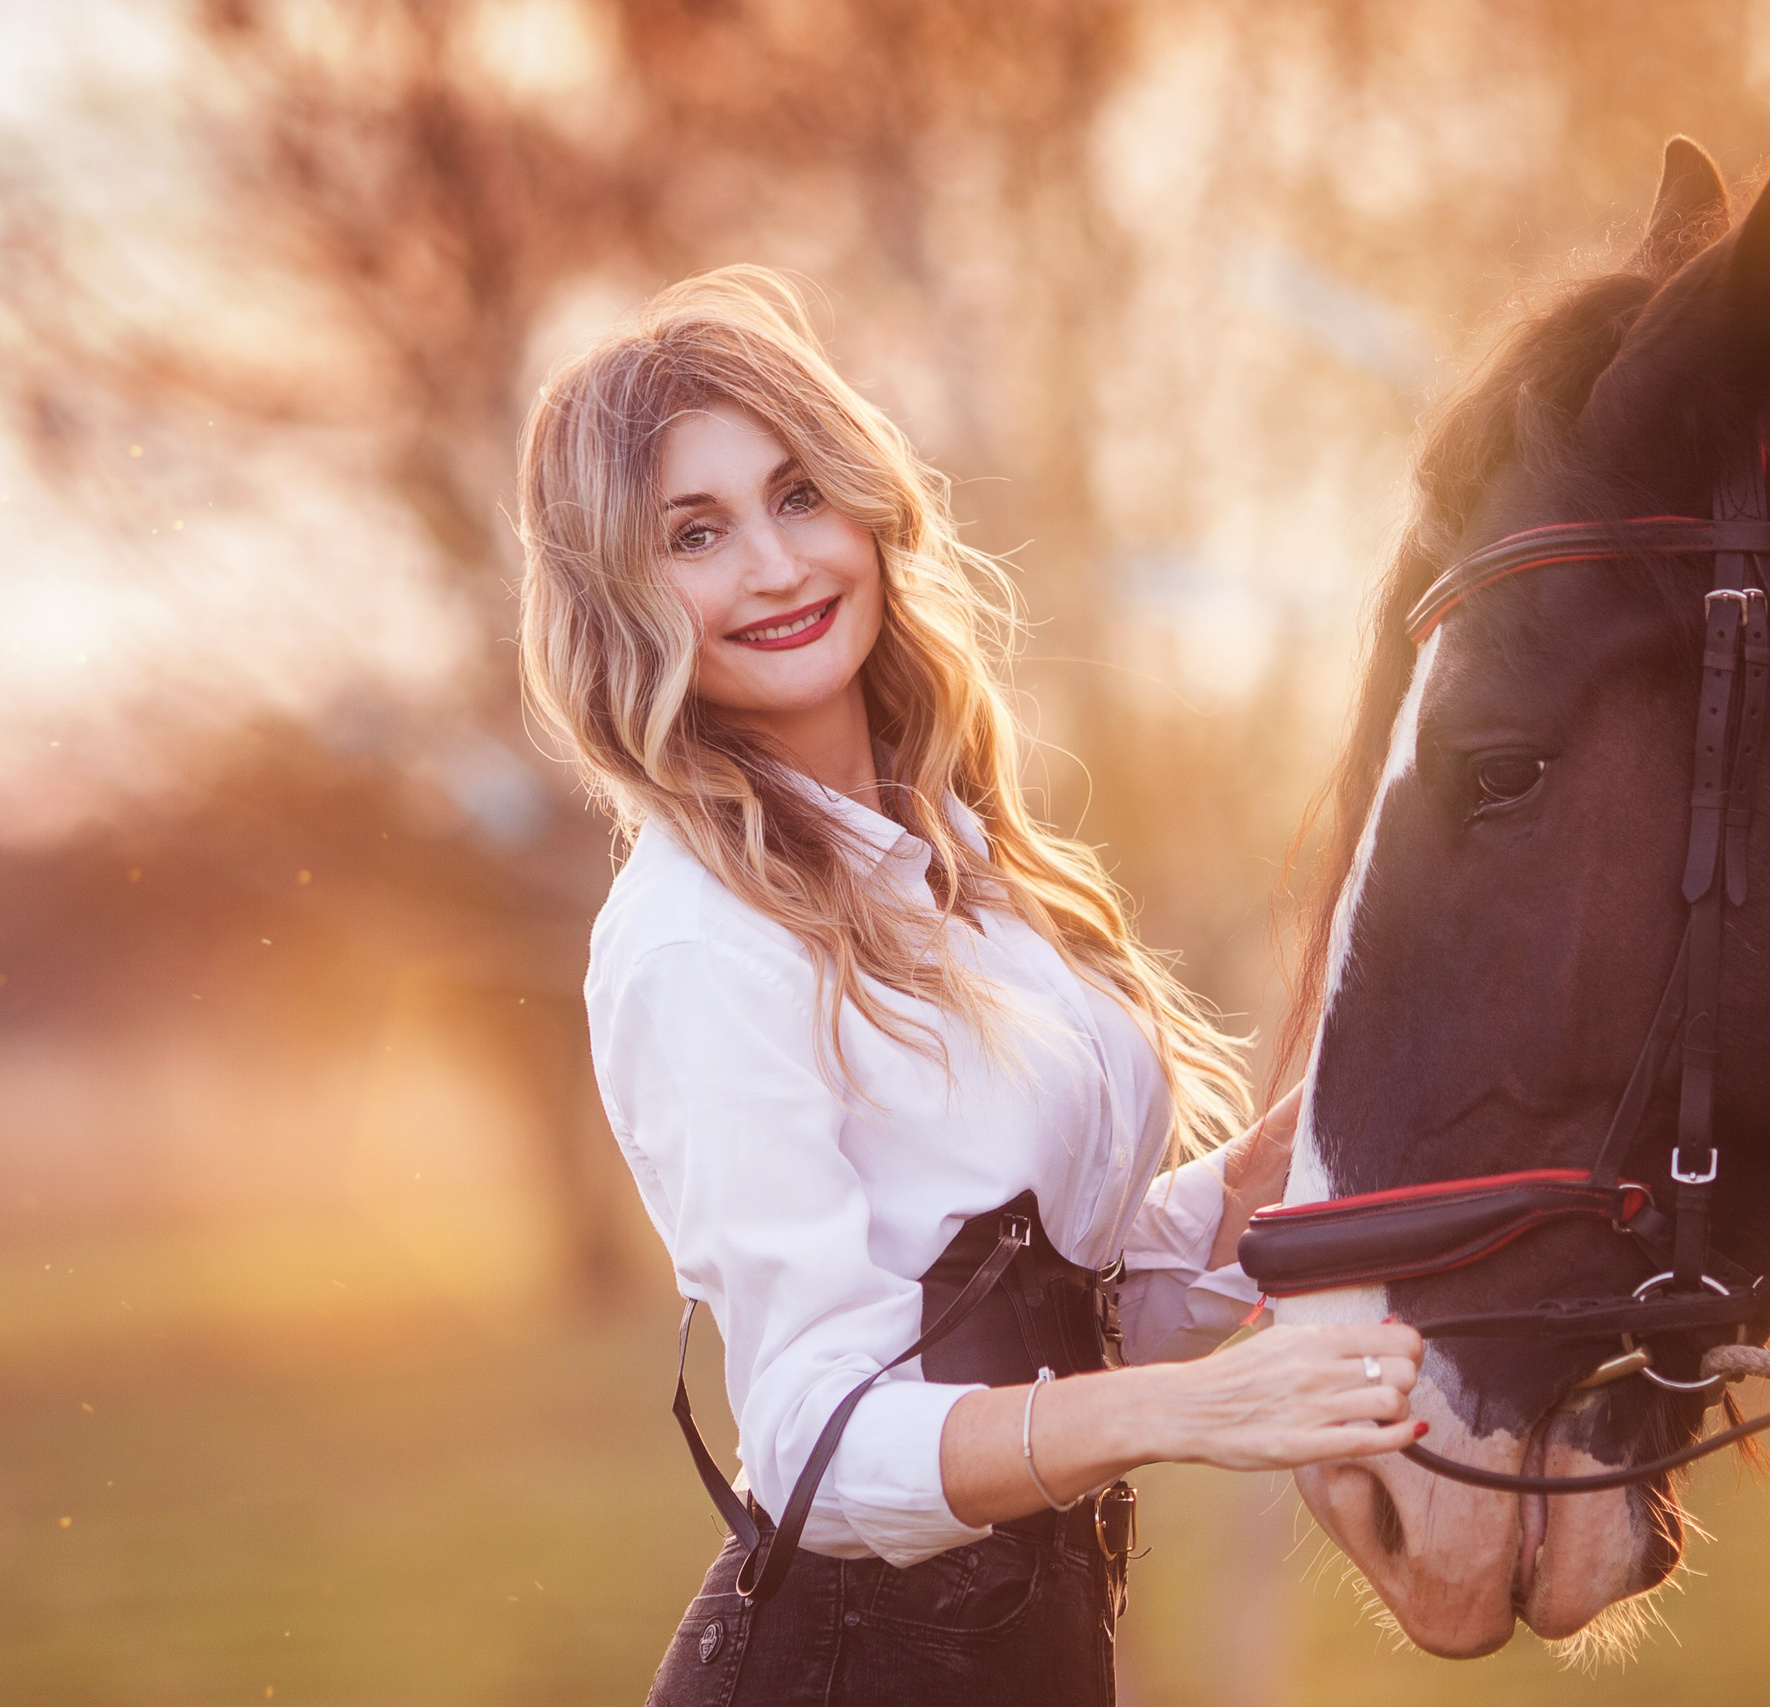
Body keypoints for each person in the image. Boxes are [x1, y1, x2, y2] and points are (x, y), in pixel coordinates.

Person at [514, 267, 1423, 1706]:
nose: (776, 563)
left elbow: (1079, 1304)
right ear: (623, 598)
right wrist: (1184, 1413)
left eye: (800, 493)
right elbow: (819, 1449)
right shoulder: (697, 939)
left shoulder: (962, 858)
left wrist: (1275, 1173)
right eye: (697, 533)